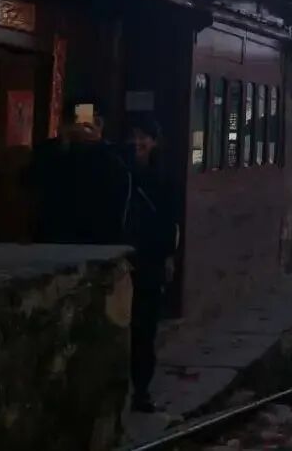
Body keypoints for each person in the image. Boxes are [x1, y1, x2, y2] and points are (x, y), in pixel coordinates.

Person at [124, 115, 177, 414]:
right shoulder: (119, 172)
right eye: (133, 136)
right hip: (122, 258)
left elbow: (170, 222)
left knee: (144, 330)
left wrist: (168, 256)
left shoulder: (164, 179)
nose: (137, 142)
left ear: (155, 142)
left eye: (143, 136)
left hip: (150, 260)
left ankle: (141, 390)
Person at [27, 98, 132, 245]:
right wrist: (63, 145)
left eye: (89, 120)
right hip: (52, 235)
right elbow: (31, 181)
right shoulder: (50, 150)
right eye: (76, 119)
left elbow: (119, 188)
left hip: (96, 238)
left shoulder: (111, 156)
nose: (81, 127)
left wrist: (97, 143)